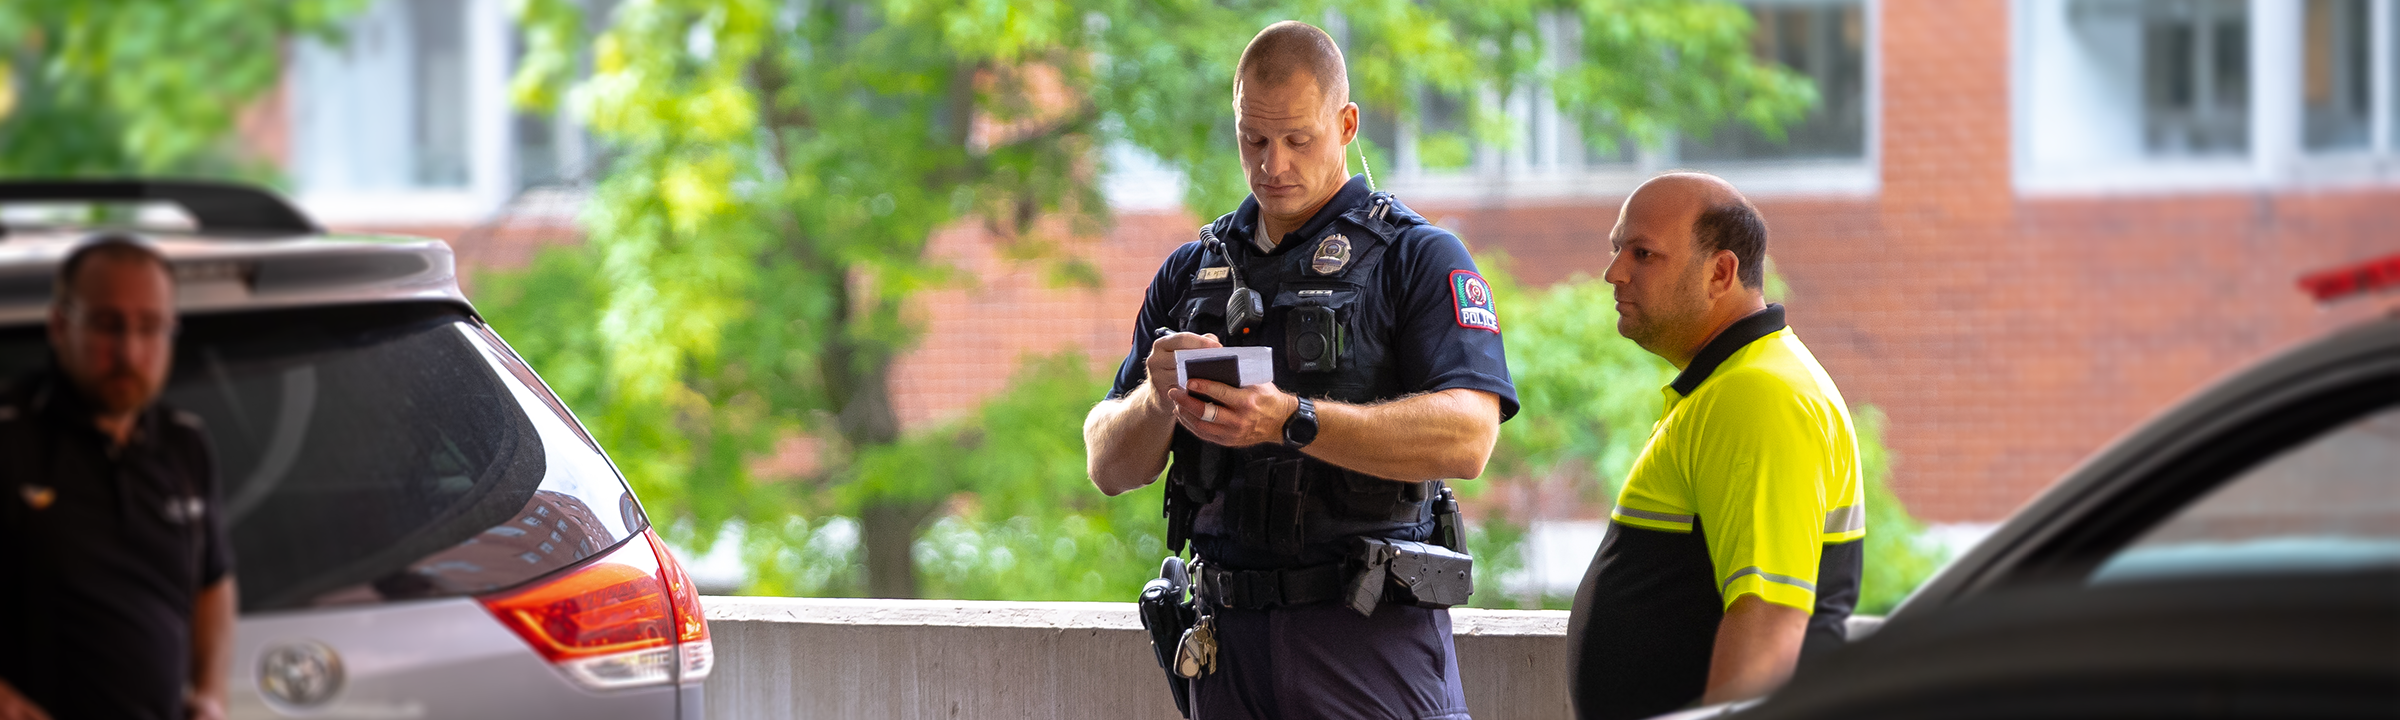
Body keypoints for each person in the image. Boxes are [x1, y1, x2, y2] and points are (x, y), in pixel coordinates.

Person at [1083, 20, 1517, 720]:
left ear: (1346, 124)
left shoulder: (1419, 257)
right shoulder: (1193, 272)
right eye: (1253, 139)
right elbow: (1107, 463)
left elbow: (1469, 437)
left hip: (1364, 635)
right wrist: (1158, 399)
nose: (1272, 163)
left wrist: (1293, 420)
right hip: (1226, 647)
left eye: (1297, 139)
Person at [1564, 173, 1865, 720]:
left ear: (1721, 272)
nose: (1614, 273)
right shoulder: (1733, 385)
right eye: (1616, 249)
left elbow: (1768, 624)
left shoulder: (1758, 395)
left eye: (1643, 253)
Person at [0, 238, 236, 720]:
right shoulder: (9, 438)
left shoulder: (185, 443)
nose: (130, 351)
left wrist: (210, 693)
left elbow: (213, 580)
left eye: (150, 327)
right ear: (60, 325)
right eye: (108, 325)